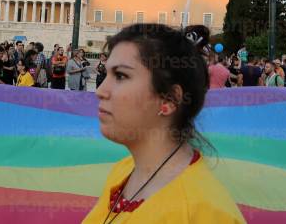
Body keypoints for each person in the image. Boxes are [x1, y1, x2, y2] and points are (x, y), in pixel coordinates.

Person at [84, 23, 245, 223]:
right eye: (107, 74)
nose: (100, 91)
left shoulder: (204, 213)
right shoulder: (123, 170)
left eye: (121, 75)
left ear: (169, 99)